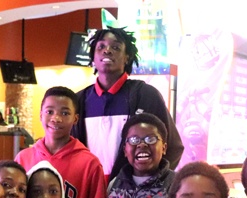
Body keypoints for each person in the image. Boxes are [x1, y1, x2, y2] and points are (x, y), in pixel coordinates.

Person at [72, 27, 184, 179]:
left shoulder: (146, 95)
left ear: (127, 57)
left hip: (131, 197)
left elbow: (173, 147)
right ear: (93, 57)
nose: (107, 51)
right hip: (89, 194)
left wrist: (151, 184)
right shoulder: (78, 101)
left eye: (116, 47)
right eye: (101, 47)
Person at [16, 86, 108, 198]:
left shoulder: (89, 163)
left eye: (65, 113)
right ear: (40, 115)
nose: (56, 118)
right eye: (49, 111)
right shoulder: (23, 158)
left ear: (75, 119)